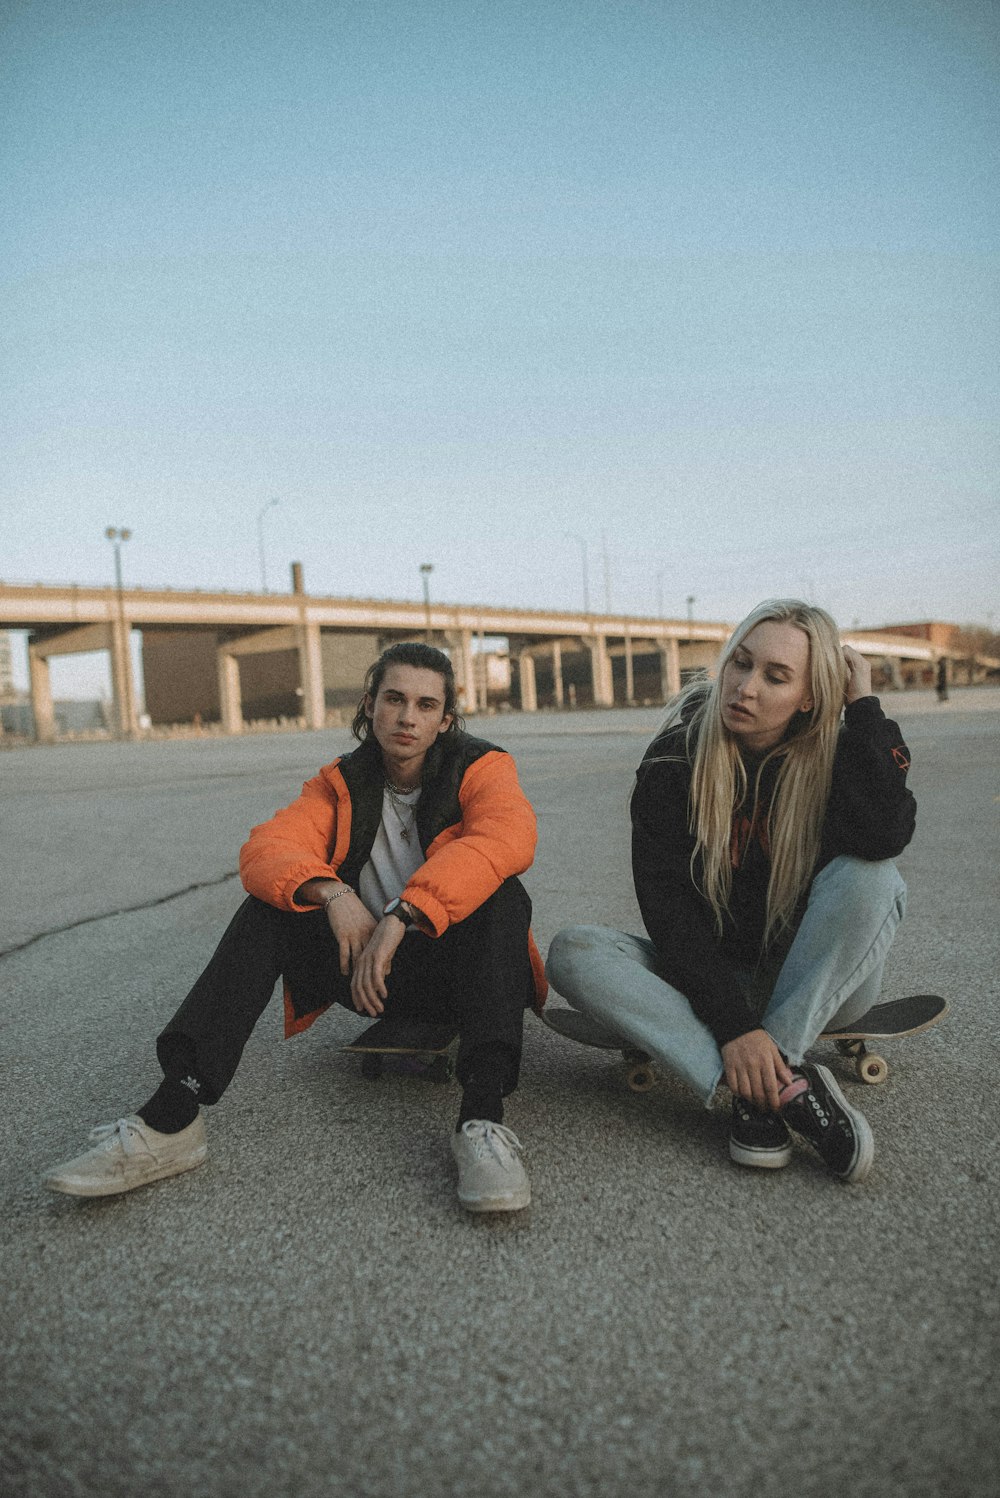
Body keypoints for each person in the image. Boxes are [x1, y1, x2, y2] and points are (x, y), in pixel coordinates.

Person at [44, 643, 546, 1213]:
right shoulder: (339, 783)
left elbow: (505, 839)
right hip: (367, 979)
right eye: (395, 699)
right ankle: (172, 1118)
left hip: (457, 976)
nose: (408, 717)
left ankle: (481, 1121)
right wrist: (333, 893)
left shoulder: (483, 769)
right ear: (370, 706)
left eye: (426, 705)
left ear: (445, 720)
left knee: (504, 896)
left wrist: (402, 915)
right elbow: (267, 850)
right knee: (271, 906)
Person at [546, 600, 916, 1184]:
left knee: (874, 876)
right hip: (712, 977)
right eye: (740, 664)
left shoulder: (841, 754)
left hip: (816, 984)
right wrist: (735, 1026)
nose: (744, 687)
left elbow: (886, 832)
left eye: (776, 676)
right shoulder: (676, 759)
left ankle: (775, 1056)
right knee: (574, 952)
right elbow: (668, 911)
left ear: (810, 696)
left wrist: (865, 709)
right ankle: (784, 1087)